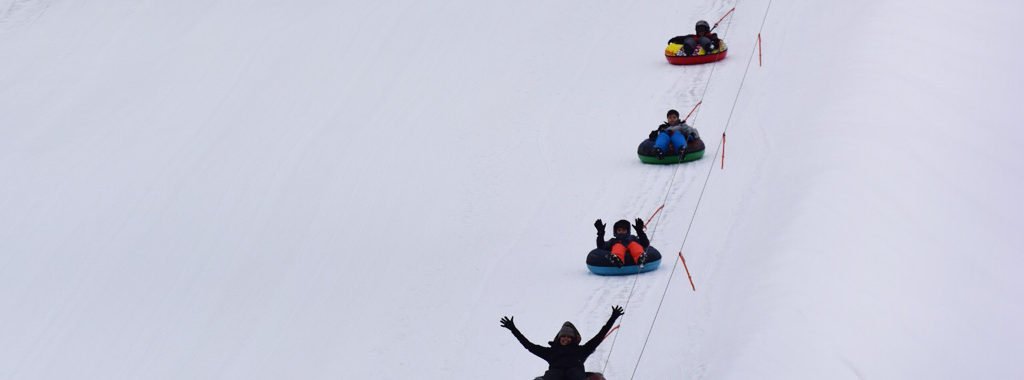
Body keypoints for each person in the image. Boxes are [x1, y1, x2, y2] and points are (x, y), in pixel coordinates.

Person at [500, 306, 625, 380]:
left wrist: (613, 317)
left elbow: (599, 336)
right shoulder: (550, 352)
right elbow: (528, 346)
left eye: (568, 337)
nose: (565, 338)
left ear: (573, 339)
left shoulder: (581, 351)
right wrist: (513, 329)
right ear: (558, 338)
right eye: (563, 336)